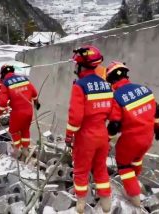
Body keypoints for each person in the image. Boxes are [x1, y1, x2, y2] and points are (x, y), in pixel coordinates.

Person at [65, 45, 115, 214]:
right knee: (100, 168)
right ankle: (106, 202)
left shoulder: (80, 86)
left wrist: (69, 136)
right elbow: (112, 114)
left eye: (76, 65)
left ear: (81, 66)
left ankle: (80, 203)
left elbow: (75, 117)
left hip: (85, 137)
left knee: (81, 169)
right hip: (102, 135)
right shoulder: (106, 85)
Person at [106, 61, 159, 207]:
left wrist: (106, 140)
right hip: (148, 138)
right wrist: (157, 130)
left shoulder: (117, 97)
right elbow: (157, 111)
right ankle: (135, 181)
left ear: (112, 80)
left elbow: (114, 125)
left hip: (130, 141)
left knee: (124, 166)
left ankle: (135, 199)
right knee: (136, 160)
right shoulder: (144, 90)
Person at [0, 65, 40, 160]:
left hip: (17, 113)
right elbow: (34, 93)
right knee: (25, 130)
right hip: (29, 111)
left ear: (3, 74)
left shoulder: (6, 83)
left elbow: (3, 103)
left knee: (14, 131)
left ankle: (17, 149)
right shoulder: (24, 78)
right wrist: (37, 103)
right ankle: (25, 149)